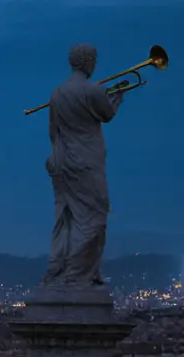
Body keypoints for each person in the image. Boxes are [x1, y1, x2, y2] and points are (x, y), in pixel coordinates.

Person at [44, 43, 124, 286]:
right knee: (95, 215)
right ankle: (77, 273)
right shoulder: (92, 90)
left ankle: (60, 268)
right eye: (94, 59)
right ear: (87, 61)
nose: (95, 64)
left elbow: (53, 131)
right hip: (86, 160)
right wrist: (118, 96)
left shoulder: (57, 93)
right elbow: (107, 114)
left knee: (67, 216)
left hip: (63, 162)